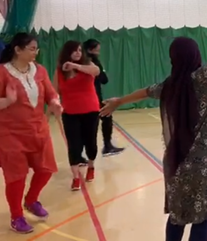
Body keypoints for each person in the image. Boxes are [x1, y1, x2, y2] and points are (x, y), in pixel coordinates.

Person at [99, 16, 207, 241]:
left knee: (177, 216)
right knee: (203, 217)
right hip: (203, 164)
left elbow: (144, 91)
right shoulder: (201, 79)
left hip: (176, 163)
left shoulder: (169, 85)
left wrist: (119, 101)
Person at [0, 33, 62, 234]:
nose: (36, 52)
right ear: (18, 49)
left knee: (46, 169)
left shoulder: (40, 70)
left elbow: (51, 93)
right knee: (16, 177)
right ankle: (16, 216)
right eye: (32, 48)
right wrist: (7, 102)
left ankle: (31, 199)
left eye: (37, 48)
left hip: (39, 130)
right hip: (10, 133)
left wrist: (54, 103)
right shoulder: (2, 72)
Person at [55, 40, 101, 191]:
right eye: (74, 50)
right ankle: (75, 177)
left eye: (80, 50)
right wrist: (53, 106)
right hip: (70, 113)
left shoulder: (88, 66)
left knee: (91, 143)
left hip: (91, 111)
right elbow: (54, 92)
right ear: (67, 53)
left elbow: (97, 72)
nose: (77, 53)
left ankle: (91, 166)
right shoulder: (60, 71)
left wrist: (75, 66)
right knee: (74, 146)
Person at [83, 39, 125, 156]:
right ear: (90, 50)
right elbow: (104, 79)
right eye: (97, 50)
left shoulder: (83, 62)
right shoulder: (93, 62)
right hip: (93, 97)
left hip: (94, 97)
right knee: (99, 121)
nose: (98, 53)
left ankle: (104, 147)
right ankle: (105, 147)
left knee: (104, 118)